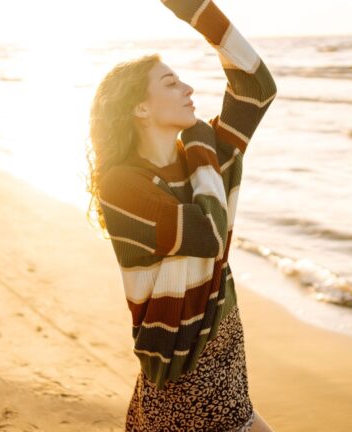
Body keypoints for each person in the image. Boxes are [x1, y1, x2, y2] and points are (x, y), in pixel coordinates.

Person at [85, 1, 277, 430]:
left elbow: (257, 87)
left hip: (226, 370)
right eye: (171, 83)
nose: (189, 88)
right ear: (140, 109)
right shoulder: (122, 185)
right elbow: (206, 232)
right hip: (185, 387)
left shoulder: (202, 158)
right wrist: (202, 138)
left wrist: (197, 11)